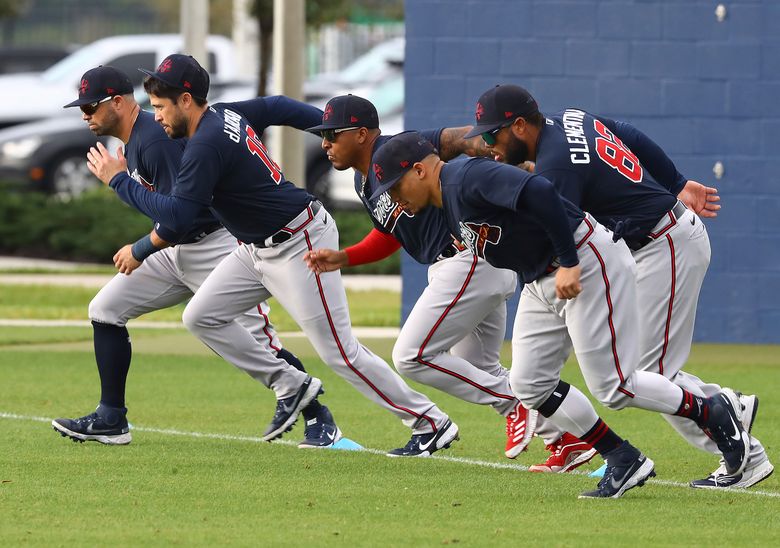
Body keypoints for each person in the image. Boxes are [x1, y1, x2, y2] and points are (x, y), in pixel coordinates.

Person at [85, 54, 458, 456]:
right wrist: (330, 130)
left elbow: (177, 218)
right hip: (254, 248)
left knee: (340, 353)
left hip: (300, 240)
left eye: (161, 106)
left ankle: (430, 422)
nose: (155, 115)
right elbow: (277, 106)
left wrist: (119, 181)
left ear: (187, 100)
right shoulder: (223, 115)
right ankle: (293, 385)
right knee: (201, 316)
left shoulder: (205, 143)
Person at [369, 130, 749, 498]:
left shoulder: (466, 177)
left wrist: (568, 261)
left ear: (419, 170)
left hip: (582, 258)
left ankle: (710, 411)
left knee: (614, 387)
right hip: (540, 276)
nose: (396, 201)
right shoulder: (446, 200)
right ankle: (621, 456)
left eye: (396, 188)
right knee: (529, 383)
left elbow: (540, 190)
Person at [467, 83, 772, 488]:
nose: (489, 144)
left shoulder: (555, 167)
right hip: (651, 241)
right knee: (646, 374)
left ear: (519, 126)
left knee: (647, 374)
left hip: (664, 245)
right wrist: (675, 179)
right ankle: (729, 408)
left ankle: (740, 449)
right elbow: (627, 132)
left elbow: (562, 226)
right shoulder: (569, 118)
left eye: (493, 134)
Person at [51, 65, 339, 448]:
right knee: (104, 309)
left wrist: (124, 200)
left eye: (90, 106)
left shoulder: (154, 140)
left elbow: (179, 218)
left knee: (261, 344)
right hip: (174, 249)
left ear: (118, 102)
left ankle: (319, 418)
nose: (85, 115)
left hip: (213, 246)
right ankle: (111, 418)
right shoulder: (137, 140)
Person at [302, 94, 537, 459]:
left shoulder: (402, 149)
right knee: (480, 367)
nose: (325, 144)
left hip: (469, 258)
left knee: (412, 355)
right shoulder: (363, 182)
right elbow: (389, 234)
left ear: (362, 134)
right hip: (458, 268)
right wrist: (345, 257)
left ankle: (511, 402)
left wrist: (509, 156)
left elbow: (461, 139)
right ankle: (571, 436)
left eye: (333, 133)